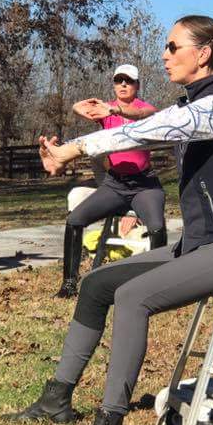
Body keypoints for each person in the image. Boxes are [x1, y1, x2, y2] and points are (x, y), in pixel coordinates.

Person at [3, 15, 213, 425]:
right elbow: (154, 121)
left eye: (172, 46)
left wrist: (75, 148)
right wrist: (85, 141)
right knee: (96, 284)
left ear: (202, 54)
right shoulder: (195, 106)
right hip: (200, 246)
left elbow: (152, 128)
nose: (164, 54)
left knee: (131, 298)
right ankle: (57, 398)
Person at [57, 64, 167, 298]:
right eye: (119, 80)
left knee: (157, 227)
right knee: (75, 220)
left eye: (128, 81)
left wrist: (115, 110)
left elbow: (146, 115)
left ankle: (160, 286)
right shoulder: (106, 112)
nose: (123, 85)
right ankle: (68, 284)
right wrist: (88, 106)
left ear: (137, 85)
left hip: (144, 186)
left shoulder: (143, 109)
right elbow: (77, 108)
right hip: (115, 185)